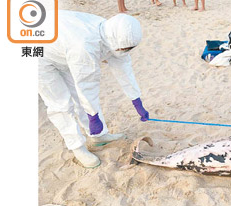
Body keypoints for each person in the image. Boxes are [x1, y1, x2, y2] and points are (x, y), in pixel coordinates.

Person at [39, 10, 150, 168]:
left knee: (78, 97)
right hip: (39, 54)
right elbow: (86, 85)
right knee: (61, 104)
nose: (126, 52)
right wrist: (93, 116)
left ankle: (98, 136)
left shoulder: (110, 32)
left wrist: (136, 100)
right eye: (125, 48)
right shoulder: (85, 45)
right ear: (116, 43)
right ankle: (77, 147)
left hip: (61, 49)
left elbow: (123, 66)